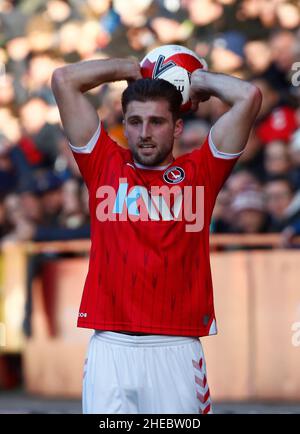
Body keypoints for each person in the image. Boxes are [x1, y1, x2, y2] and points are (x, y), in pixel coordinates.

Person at [51, 56, 262, 414]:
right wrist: (130, 69)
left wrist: (198, 81)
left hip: (175, 348)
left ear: (177, 127)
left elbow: (249, 96)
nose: (145, 132)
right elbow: (63, 80)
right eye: (134, 121)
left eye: (157, 121)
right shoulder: (102, 163)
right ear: (125, 126)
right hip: (109, 348)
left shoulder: (202, 172)